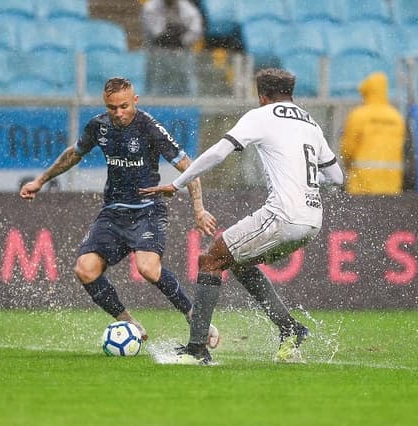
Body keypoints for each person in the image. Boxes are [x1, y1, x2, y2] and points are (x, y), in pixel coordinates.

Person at [139, 68, 344, 364]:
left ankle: (197, 349)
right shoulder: (310, 122)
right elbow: (336, 176)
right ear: (290, 93)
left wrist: (178, 183)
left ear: (262, 95)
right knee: (238, 263)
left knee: (210, 260)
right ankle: (290, 328)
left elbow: (218, 153)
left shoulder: (261, 115)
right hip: (312, 219)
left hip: (283, 215)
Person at [20, 77, 219, 346]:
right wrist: (40, 181)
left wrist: (199, 209)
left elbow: (189, 168)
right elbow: (73, 155)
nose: (119, 113)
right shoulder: (99, 126)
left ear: (135, 100)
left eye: (124, 106)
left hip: (148, 210)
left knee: (148, 268)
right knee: (85, 269)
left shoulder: (149, 128)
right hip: (113, 212)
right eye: (112, 107)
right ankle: (128, 321)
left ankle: (194, 316)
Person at [339, 71, 406, 195]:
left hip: (361, 185)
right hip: (391, 186)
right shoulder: (397, 117)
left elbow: (348, 150)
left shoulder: (358, 115)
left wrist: (348, 166)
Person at [140, 0, 204, 96]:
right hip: (158, 55)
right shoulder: (150, 7)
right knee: (155, 88)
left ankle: (189, 108)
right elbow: (156, 33)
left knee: (187, 87)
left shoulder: (188, 8)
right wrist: (177, 32)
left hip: (182, 56)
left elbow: (195, 31)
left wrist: (180, 38)